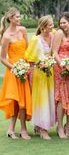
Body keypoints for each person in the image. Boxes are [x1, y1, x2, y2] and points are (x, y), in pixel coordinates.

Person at [0, 8, 31, 140]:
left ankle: (23, 129)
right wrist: (16, 69)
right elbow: (2, 58)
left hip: (25, 69)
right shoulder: (6, 36)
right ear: (10, 19)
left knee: (23, 100)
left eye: (20, 16)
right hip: (13, 72)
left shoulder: (23, 30)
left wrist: (27, 66)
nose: (19, 19)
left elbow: (28, 49)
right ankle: (12, 129)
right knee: (15, 101)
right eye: (17, 17)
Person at [25, 15, 55, 140]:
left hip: (50, 72)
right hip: (39, 73)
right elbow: (29, 58)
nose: (52, 26)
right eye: (50, 25)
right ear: (43, 27)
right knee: (41, 100)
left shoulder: (53, 36)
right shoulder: (35, 39)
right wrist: (40, 63)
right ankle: (42, 129)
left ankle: (40, 126)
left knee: (49, 98)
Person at [52, 12, 69, 139]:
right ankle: (60, 126)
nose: (62, 25)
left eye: (64, 22)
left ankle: (68, 125)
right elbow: (54, 52)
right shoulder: (59, 33)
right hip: (59, 67)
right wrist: (61, 64)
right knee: (61, 97)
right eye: (60, 23)